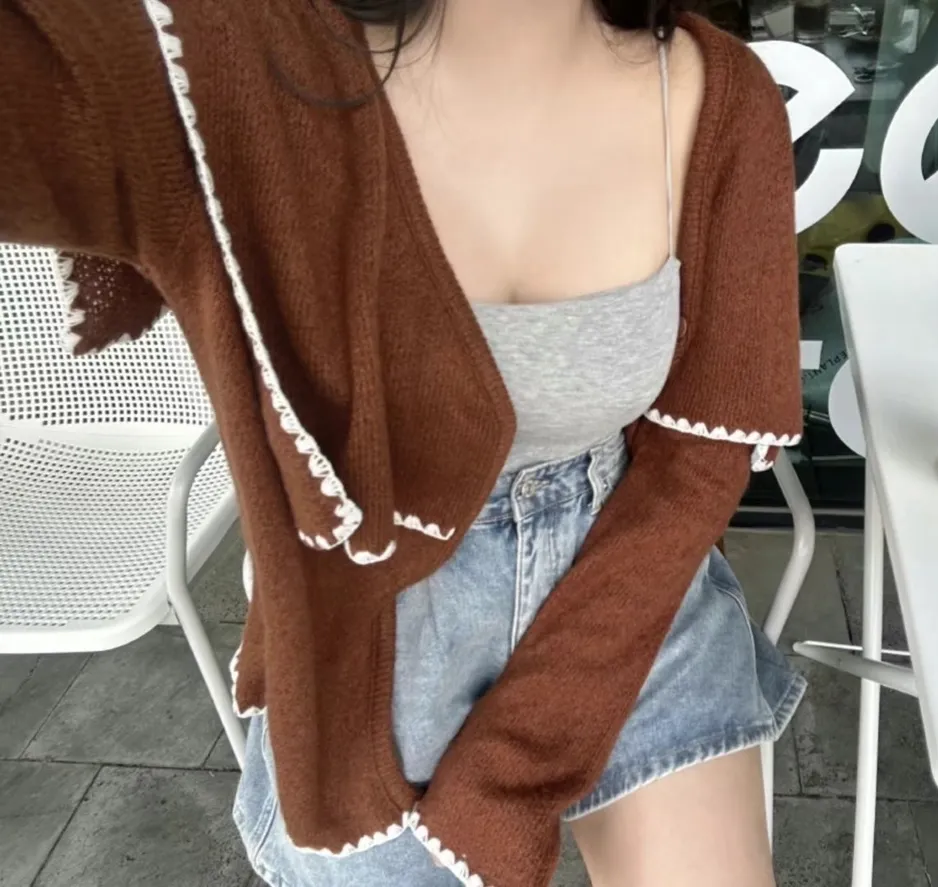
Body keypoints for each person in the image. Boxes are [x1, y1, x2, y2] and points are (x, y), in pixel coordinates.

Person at [1, 1, 803, 884]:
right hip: (365, 617)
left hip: (631, 574)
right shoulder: (224, 68)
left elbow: (694, 464)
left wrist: (515, 767)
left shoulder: (718, 95)